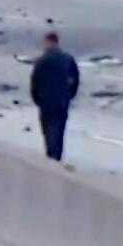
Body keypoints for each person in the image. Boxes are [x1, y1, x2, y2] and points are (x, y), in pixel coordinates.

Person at [29, 32, 80, 161]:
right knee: (59, 128)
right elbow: (75, 78)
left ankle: (51, 155)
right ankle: (57, 155)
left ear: (48, 43)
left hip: (46, 101)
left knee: (48, 129)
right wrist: (70, 94)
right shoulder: (68, 59)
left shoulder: (41, 61)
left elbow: (35, 82)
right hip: (62, 100)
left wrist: (36, 99)